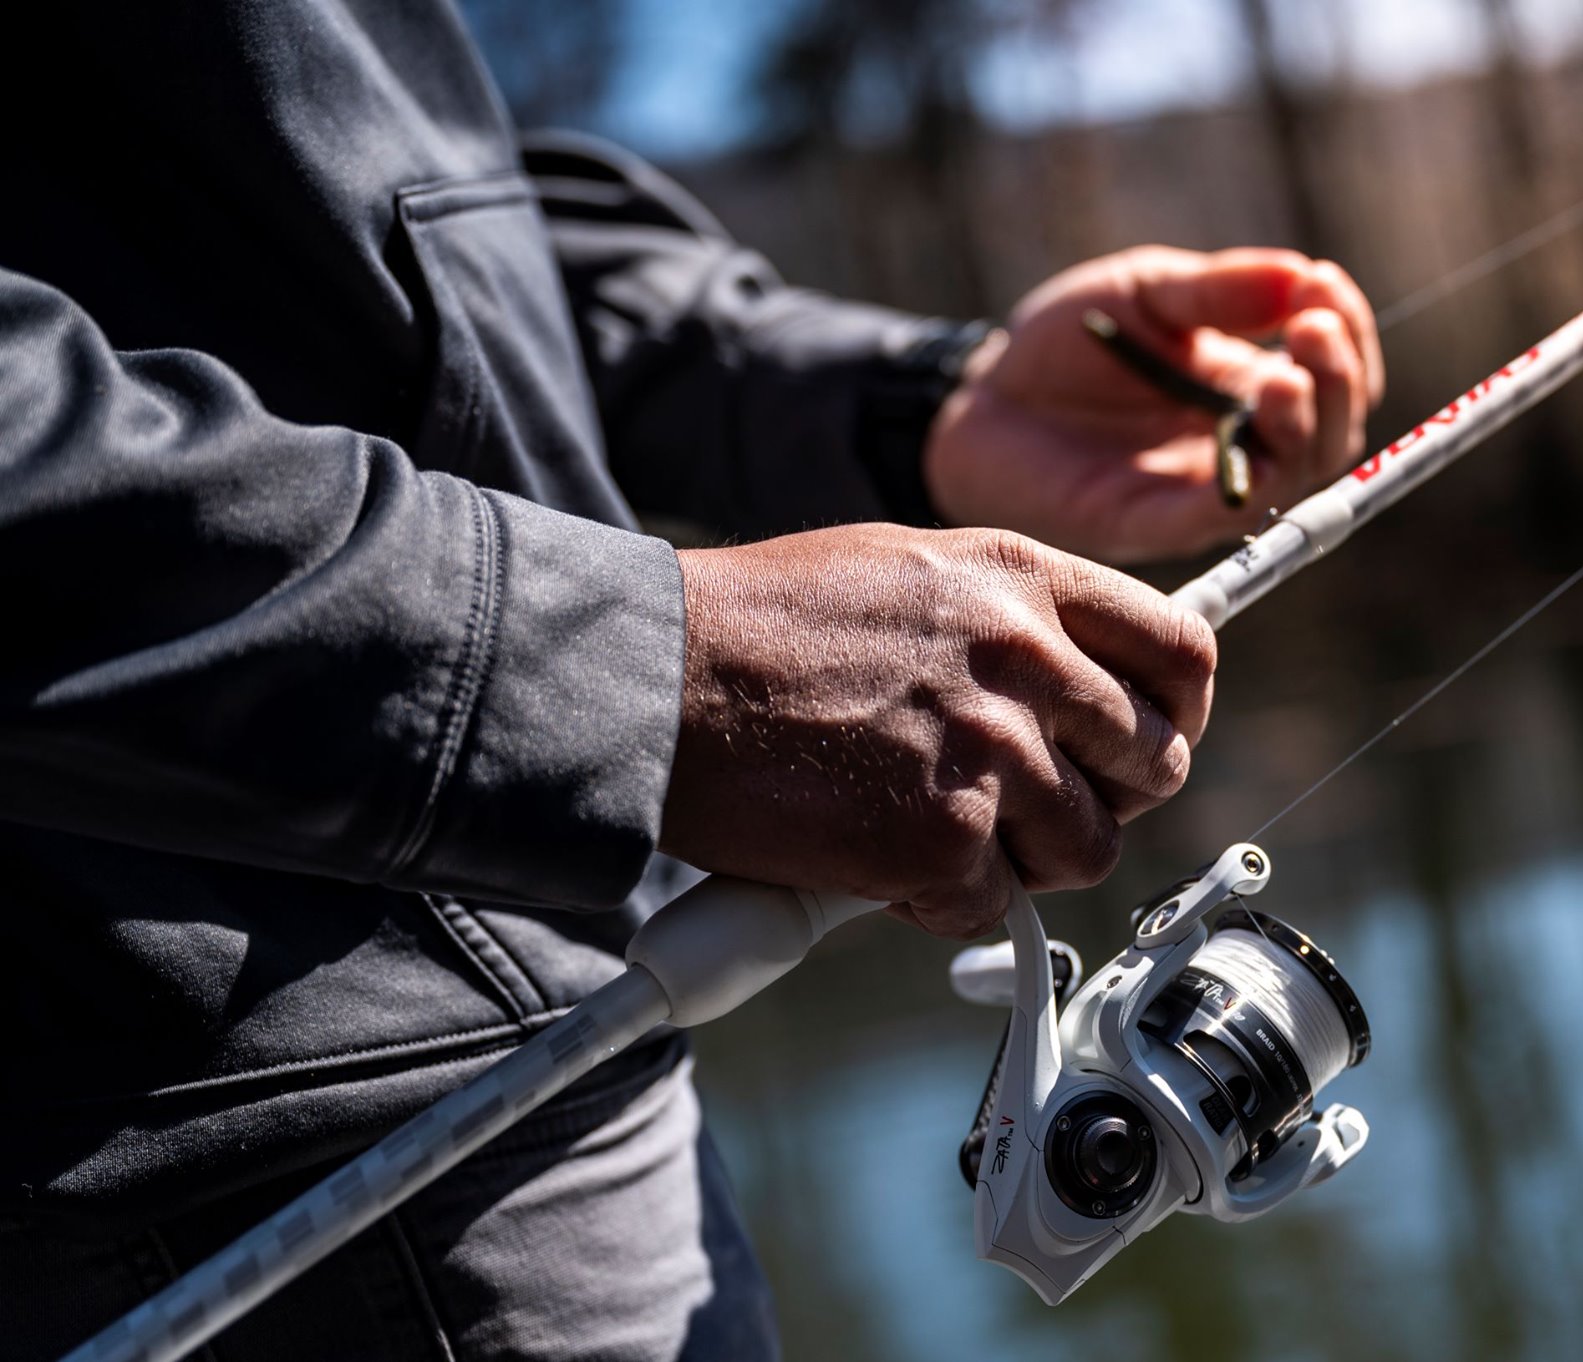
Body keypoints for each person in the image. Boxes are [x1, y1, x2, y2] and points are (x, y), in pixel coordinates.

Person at [0, 4, 1382, 1358]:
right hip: (290, 1153)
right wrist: (643, 672)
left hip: (513, 1049)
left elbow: (410, 202)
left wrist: (899, 403)